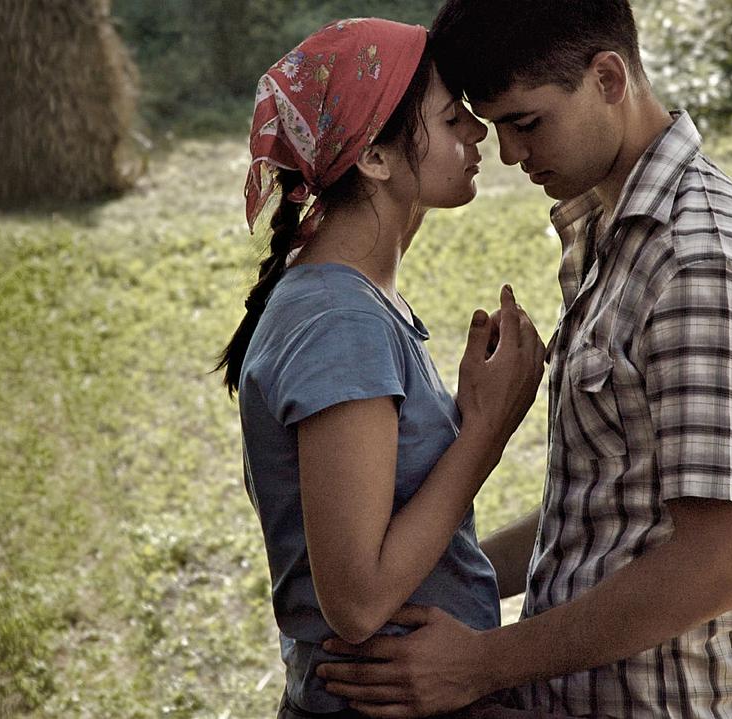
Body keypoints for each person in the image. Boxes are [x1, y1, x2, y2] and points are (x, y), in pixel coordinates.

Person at [317, 2, 732, 718]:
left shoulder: (702, 263)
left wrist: (479, 664)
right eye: (493, 126)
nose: (509, 154)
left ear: (608, 78)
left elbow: (710, 566)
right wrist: (429, 588)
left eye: (526, 122)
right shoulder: (619, 232)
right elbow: (604, 519)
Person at [216, 18, 547, 718]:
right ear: (372, 157)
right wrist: (485, 432)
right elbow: (359, 600)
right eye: (453, 119)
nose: (479, 134)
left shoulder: (355, 300)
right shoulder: (341, 320)